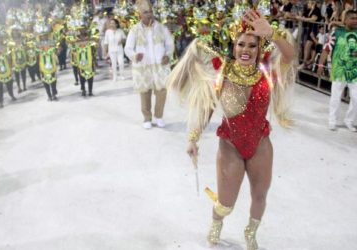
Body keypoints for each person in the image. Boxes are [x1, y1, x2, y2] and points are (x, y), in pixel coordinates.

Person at [167, 5, 296, 249]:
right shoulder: (222, 74)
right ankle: (216, 223)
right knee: (226, 203)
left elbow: (289, 56)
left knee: (260, 196)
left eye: (252, 45)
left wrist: (271, 34)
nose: (245, 50)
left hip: (260, 145)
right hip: (230, 147)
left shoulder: (267, 73)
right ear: (233, 46)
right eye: (241, 44)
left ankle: (251, 232)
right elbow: (206, 108)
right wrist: (192, 139)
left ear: (259, 49)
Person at [124, 0, 174, 129]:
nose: (149, 14)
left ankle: (159, 116)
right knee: (145, 92)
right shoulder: (134, 30)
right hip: (143, 67)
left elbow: (170, 44)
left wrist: (168, 55)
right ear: (140, 14)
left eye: (150, 12)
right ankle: (147, 118)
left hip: (160, 66)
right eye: (145, 12)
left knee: (162, 91)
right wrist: (135, 56)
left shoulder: (161, 28)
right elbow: (128, 48)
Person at [317, 9, 357, 132]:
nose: (355, 21)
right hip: (339, 71)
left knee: (356, 98)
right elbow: (327, 48)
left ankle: (349, 121)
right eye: (353, 18)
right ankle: (332, 121)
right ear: (345, 20)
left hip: (354, 72)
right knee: (335, 97)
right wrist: (320, 64)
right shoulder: (337, 32)